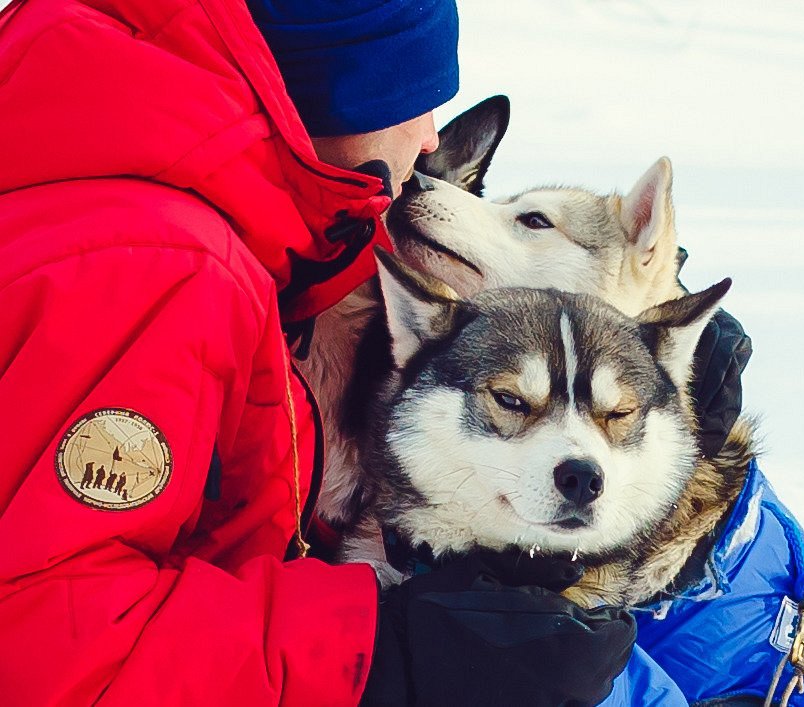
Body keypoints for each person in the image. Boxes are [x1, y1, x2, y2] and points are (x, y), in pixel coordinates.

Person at [0, 0, 638, 704]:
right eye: (417, 101)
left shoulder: (219, 227)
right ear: (341, 86)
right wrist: (382, 649)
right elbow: (51, 644)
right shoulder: (163, 267)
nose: (430, 141)